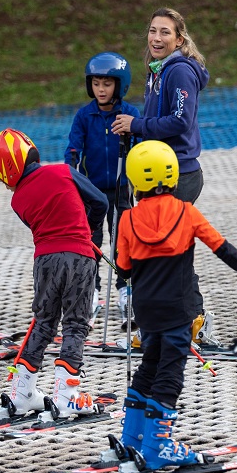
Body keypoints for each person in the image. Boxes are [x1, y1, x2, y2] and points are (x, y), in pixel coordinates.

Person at [113, 140, 237, 470]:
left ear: (134, 182)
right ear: (172, 177)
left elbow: (124, 268)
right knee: (169, 378)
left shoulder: (127, 220)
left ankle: (131, 441)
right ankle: (158, 447)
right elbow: (222, 249)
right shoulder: (187, 212)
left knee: (149, 369)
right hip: (177, 313)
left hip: (147, 313)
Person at [0, 128, 108, 421]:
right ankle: (66, 395)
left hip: (44, 261)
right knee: (76, 323)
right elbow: (100, 201)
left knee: (44, 322)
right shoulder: (63, 172)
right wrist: (89, 231)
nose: (6, 186)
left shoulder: (17, 201)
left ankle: (22, 391)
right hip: (79, 255)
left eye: (2, 179)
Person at [110, 8, 215, 344]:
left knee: (164, 254)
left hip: (178, 173)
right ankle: (179, 322)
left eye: (165, 33)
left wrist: (137, 125)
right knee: (162, 252)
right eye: (153, 31)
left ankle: (188, 321)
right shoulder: (158, 70)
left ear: (179, 39)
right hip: (156, 170)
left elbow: (181, 122)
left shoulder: (179, 71)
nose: (156, 38)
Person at [65, 52, 141, 324]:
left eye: (107, 84)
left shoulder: (130, 114)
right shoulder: (84, 116)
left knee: (123, 242)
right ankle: (91, 291)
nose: (101, 89)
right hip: (92, 193)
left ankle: (125, 291)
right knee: (91, 243)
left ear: (119, 85)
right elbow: (73, 149)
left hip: (121, 189)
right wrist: (71, 177)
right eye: (96, 83)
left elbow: (142, 149)